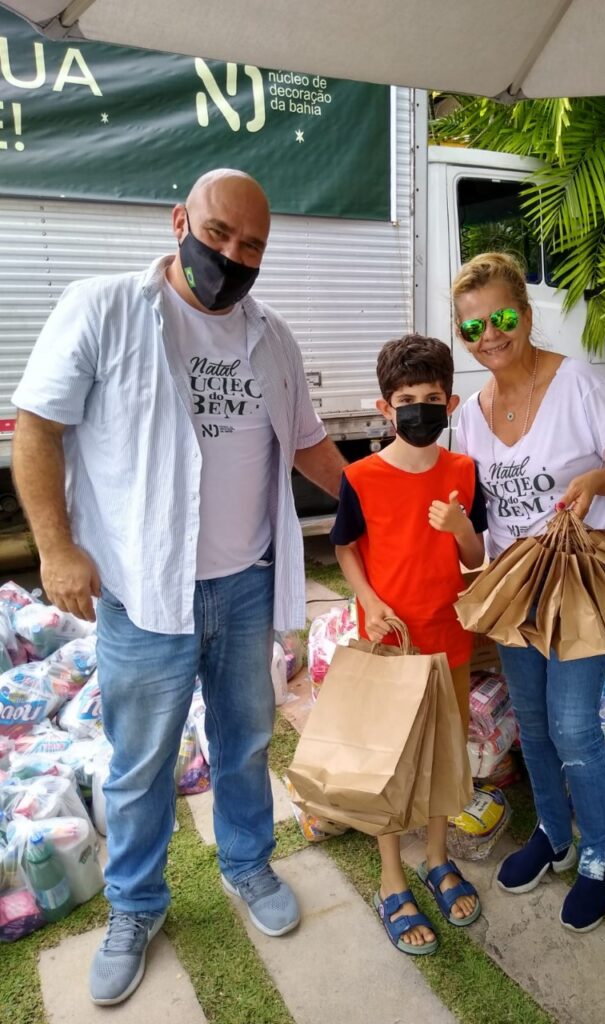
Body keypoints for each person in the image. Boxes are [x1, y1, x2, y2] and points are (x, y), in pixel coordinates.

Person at [11, 169, 346, 1004]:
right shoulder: (105, 310)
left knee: (246, 742)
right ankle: (135, 905)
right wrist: (56, 547)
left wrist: (386, 505)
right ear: (178, 223)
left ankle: (247, 863)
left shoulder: (272, 337)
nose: (231, 256)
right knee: (139, 764)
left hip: (245, 584)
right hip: (142, 593)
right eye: (218, 234)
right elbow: (38, 429)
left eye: (252, 246)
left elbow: (308, 444)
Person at [451, 252, 605, 933]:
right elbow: (478, 507)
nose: (490, 336)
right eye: (473, 327)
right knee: (533, 723)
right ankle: (553, 833)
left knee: (572, 726)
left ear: (525, 314)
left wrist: (596, 481)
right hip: (515, 586)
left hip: (578, 584)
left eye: (502, 319)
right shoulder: (471, 414)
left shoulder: (580, 386)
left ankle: (597, 856)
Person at [330, 333, 487, 955]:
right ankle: (392, 877)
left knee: (446, 752)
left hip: (449, 636)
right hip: (390, 641)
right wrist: (368, 601)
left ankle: (438, 858)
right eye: (405, 400)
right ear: (384, 407)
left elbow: (474, 557)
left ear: (450, 404)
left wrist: (460, 528)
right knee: (387, 760)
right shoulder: (361, 478)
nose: (419, 409)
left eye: (431, 398)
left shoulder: (463, 473)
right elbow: (345, 546)